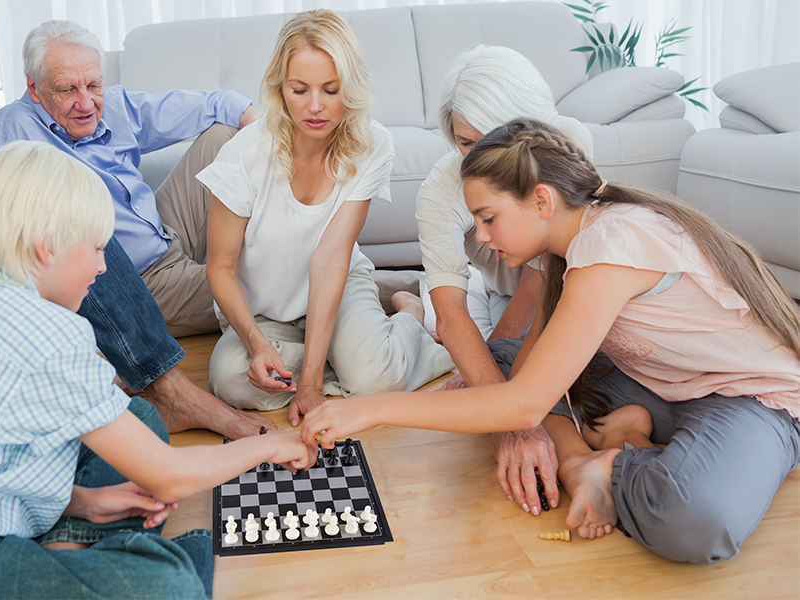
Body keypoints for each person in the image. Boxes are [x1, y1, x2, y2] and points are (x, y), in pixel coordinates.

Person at [0, 141, 315, 598]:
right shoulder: (43, 332)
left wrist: (81, 501)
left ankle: (68, 546)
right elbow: (168, 478)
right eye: (98, 247)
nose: (104, 268)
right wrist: (268, 445)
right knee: (170, 585)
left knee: (140, 420)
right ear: (47, 246)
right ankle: (86, 559)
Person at [301, 118, 800, 563]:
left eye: (488, 217)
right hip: (658, 383)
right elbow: (524, 369)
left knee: (694, 519)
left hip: (750, 399)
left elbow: (523, 405)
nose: (481, 234)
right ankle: (596, 452)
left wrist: (372, 410)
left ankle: (612, 459)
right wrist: (498, 399)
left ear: (542, 199)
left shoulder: (612, 243)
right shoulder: (568, 248)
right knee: (498, 358)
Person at [0, 18, 276, 438]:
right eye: (67, 89)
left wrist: (263, 129)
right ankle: (372, 284)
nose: (86, 103)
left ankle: (305, 250)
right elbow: (17, 257)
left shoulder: (109, 103)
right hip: (133, 281)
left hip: (163, 231)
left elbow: (218, 104)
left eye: (92, 85)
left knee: (225, 136)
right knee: (274, 284)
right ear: (34, 88)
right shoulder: (5, 140)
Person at [200, 10, 454, 428]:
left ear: (350, 88)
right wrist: (258, 345)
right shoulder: (241, 158)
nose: (315, 107)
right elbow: (221, 268)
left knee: (374, 378)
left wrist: (311, 384)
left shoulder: (372, 145)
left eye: (331, 90)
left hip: (338, 285)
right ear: (280, 89)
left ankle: (410, 316)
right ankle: (357, 358)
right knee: (231, 382)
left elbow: (331, 260)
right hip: (263, 308)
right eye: (300, 90)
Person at [398, 45, 595, 516]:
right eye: (466, 142)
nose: (482, 156)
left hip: (546, 289)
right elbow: (453, 311)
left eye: (495, 137)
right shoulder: (440, 190)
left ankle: (407, 299)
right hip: (481, 290)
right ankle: (411, 304)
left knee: (505, 373)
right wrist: (509, 422)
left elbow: (546, 277)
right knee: (481, 363)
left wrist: (495, 391)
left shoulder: (569, 142)